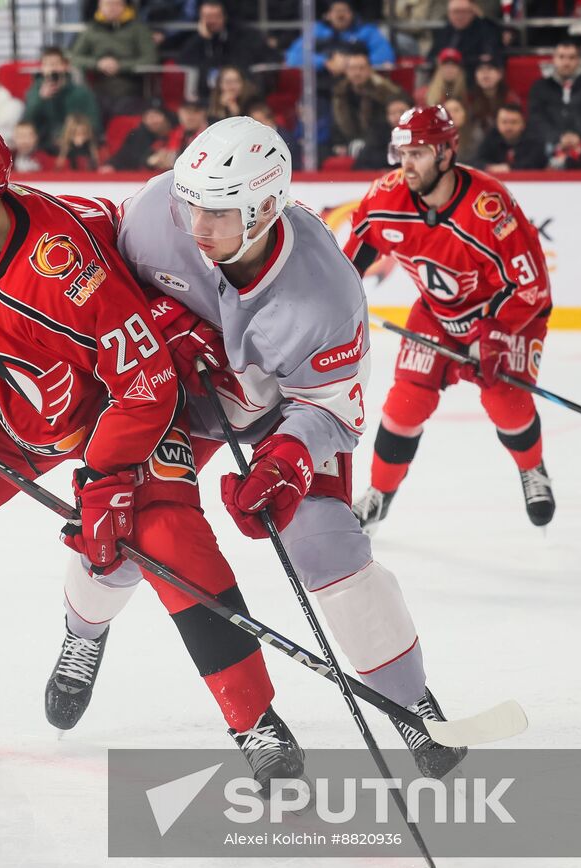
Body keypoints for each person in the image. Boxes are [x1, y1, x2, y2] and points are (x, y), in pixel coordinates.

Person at [0, 112, 306, 791]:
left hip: (120, 407)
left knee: (167, 537)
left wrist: (106, 478)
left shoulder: (66, 266)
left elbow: (146, 385)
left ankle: (256, 721)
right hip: (18, 396)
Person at [51, 115, 467, 779]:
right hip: (177, 398)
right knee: (124, 524)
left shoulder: (325, 291)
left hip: (280, 413)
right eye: (192, 204)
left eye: (218, 212)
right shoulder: (160, 211)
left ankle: (410, 699)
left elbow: (331, 407)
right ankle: (83, 633)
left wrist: (286, 461)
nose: (196, 226)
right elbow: (101, 276)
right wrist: (158, 321)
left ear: (267, 207)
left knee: (327, 545)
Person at [346, 106, 555, 531]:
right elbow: (352, 260)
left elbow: (532, 286)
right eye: (403, 154)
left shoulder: (489, 209)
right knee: (405, 404)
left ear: (445, 154)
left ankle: (532, 468)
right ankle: (380, 494)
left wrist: (494, 334)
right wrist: (333, 300)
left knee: (506, 402)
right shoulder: (386, 196)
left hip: (503, 316)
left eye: (419, 154)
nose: (407, 165)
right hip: (437, 314)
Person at [68, 0, 158, 116]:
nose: (112, 8)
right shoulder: (91, 29)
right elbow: (74, 57)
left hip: (131, 92)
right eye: (108, 4)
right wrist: (98, 64)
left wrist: (120, 66)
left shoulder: (139, 29)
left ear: (124, 6)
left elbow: (150, 58)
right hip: (97, 92)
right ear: (100, 6)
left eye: (117, 4)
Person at [176, 1, 278, 98]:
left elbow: (271, 57)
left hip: (242, 91)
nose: (211, 21)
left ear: (224, 17)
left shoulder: (243, 35)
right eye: (207, 17)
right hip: (207, 94)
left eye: (215, 16)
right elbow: (183, 61)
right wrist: (203, 39)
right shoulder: (196, 40)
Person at [21, 47, 102, 152]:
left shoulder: (82, 93)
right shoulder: (34, 93)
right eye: (47, 64)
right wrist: (40, 99)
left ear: (65, 66)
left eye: (55, 64)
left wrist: (68, 135)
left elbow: (94, 124)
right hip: (41, 148)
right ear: (42, 68)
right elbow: (26, 124)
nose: (52, 69)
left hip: (73, 147)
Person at [527, 40, 581, 147]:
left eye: (571, 58)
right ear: (554, 59)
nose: (566, 62)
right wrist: (558, 137)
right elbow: (536, 118)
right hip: (548, 143)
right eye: (561, 57)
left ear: (578, 60)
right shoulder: (540, 87)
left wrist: (577, 135)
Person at [332, 51, 408, 157]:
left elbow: (385, 125)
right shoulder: (339, 94)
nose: (357, 73)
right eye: (353, 68)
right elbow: (337, 125)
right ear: (346, 71)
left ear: (369, 69)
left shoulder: (385, 92)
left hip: (379, 144)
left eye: (361, 68)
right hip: (349, 142)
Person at [285, 0, 396, 70]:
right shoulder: (316, 30)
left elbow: (385, 56)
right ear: (328, 15)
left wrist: (352, 63)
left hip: (359, 88)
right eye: (336, 11)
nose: (340, 15)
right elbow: (293, 57)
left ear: (352, 14)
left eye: (344, 11)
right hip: (323, 88)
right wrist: (325, 62)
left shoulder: (367, 31)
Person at [475, 102, 549, 170]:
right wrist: (490, 167)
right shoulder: (491, 137)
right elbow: (475, 161)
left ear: (523, 124)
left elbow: (535, 163)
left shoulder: (534, 139)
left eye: (514, 122)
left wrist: (509, 168)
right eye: (504, 122)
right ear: (497, 123)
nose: (508, 127)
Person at [427, 0, 503, 66]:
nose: (460, 16)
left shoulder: (486, 30)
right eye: (456, 12)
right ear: (449, 14)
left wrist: (458, 60)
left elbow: (487, 58)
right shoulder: (444, 31)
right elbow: (431, 57)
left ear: (473, 13)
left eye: (464, 12)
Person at [107, 102, 174, 170]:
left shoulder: (178, 132)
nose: (153, 121)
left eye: (156, 116)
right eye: (148, 118)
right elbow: (125, 155)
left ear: (165, 116)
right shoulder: (138, 135)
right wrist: (112, 165)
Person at [466, 53, 518, 134]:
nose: (485, 73)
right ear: (475, 76)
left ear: (500, 74)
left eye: (490, 69)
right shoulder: (469, 98)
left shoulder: (510, 98)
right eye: (481, 69)